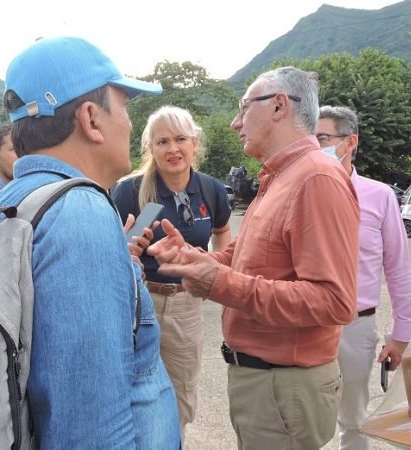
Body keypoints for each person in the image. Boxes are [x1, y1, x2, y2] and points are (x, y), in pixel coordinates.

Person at [147, 66, 360, 449]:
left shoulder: (315, 178)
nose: (234, 123)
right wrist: (199, 259)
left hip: (284, 385)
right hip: (269, 385)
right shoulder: (281, 176)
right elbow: (251, 257)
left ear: (279, 106)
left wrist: (218, 282)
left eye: (244, 108)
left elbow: (334, 301)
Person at [0, 36, 180, 449]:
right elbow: (91, 433)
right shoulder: (80, 214)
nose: (129, 124)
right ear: (91, 119)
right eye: (125, 106)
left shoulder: (13, 200)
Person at [113, 105, 231, 439]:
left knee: (181, 393)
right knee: (133, 388)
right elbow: (117, 248)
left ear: (195, 143)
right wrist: (128, 253)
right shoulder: (130, 191)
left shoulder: (211, 190)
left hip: (186, 304)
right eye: (162, 141)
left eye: (180, 139)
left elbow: (222, 230)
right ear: (150, 147)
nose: (172, 148)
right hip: (139, 302)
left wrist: (215, 264)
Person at [317, 105, 411, 450]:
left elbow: (399, 268)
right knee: (304, 418)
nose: (316, 147)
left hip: (355, 327)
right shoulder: (304, 191)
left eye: (323, 138)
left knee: (354, 421)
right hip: (307, 323)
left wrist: (401, 333)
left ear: (350, 142)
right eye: (311, 139)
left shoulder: (379, 196)